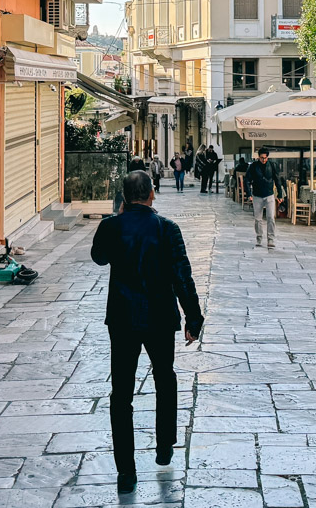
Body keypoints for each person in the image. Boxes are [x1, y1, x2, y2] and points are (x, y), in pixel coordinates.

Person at [90, 171, 203, 494]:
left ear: (124, 197)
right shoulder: (167, 228)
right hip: (159, 317)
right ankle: (164, 444)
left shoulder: (111, 227)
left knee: (121, 394)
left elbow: (99, 258)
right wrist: (193, 318)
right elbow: (183, 275)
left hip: (123, 319)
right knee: (165, 378)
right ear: (152, 194)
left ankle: (126, 472)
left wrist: (117, 220)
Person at [244, 147, 284, 248]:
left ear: (267, 157)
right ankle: (259, 238)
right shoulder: (253, 166)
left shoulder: (272, 165)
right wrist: (249, 194)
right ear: (258, 157)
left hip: (269, 194)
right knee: (258, 219)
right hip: (257, 195)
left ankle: (270, 239)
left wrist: (280, 194)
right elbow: (247, 180)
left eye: (265, 158)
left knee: (270, 217)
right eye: (262, 158)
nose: (264, 160)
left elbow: (277, 179)